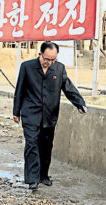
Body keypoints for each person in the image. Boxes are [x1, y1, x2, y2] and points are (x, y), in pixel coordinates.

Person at [13, 41, 87, 191]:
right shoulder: (27, 67)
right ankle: (32, 179)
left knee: (46, 146)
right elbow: (19, 89)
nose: (49, 63)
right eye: (46, 59)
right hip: (30, 113)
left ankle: (43, 175)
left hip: (49, 114)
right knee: (31, 144)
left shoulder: (59, 69)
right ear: (40, 55)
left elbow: (68, 87)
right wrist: (16, 112)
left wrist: (80, 103)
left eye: (53, 60)